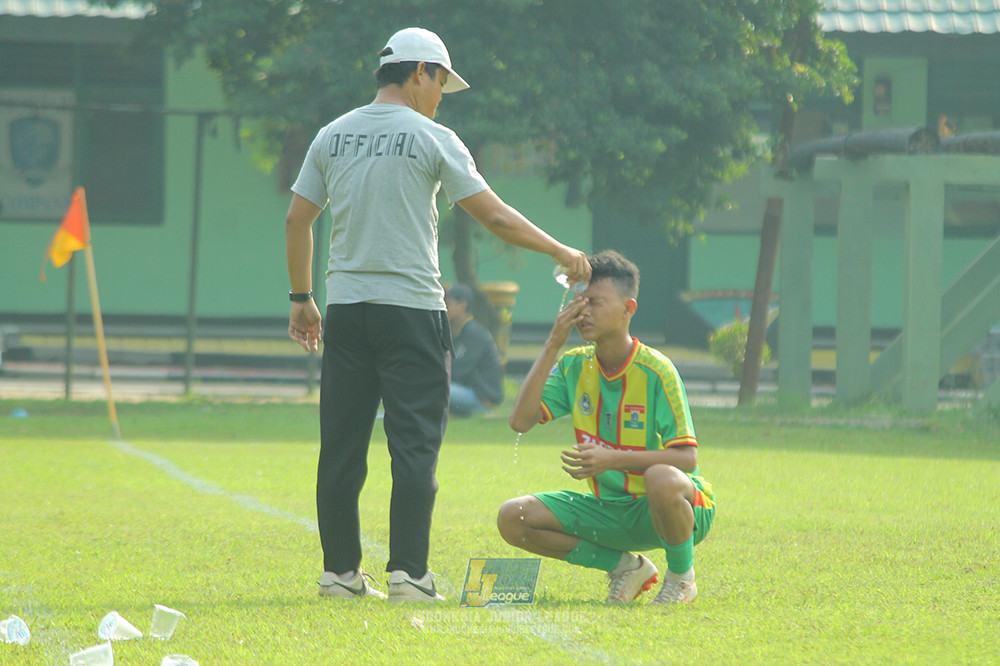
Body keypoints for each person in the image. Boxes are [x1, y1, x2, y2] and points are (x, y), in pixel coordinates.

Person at [284, 27, 591, 603]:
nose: (442, 95)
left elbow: (297, 221)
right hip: (412, 313)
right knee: (415, 445)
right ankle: (409, 576)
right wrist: (559, 251)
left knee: (342, 445)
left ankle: (340, 575)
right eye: (442, 82)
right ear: (420, 71)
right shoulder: (433, 137)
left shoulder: (332, 135)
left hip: (347, 311)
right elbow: (494, 218)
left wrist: (301, 298)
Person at [497, 250, 715, 606]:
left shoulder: (657, 371)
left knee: (662, 476)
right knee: (513, 517)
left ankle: (681, 578)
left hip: (673, 506)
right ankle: (625, 567)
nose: (584, 312)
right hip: (609, 511)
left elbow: (687, 459)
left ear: (629, 308)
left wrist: (612, 459)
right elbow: (520, 420)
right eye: (579, 303)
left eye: (595, 303)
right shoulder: (573, 366)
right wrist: (553, 341)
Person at [444, 283, 504, 416]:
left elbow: (459, 370)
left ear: (462, 305)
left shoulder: (476, 334)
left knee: (433, 387)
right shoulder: (457, 331)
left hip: (481, 398)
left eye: (448, 304)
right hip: (463, 391)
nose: (444, 308)